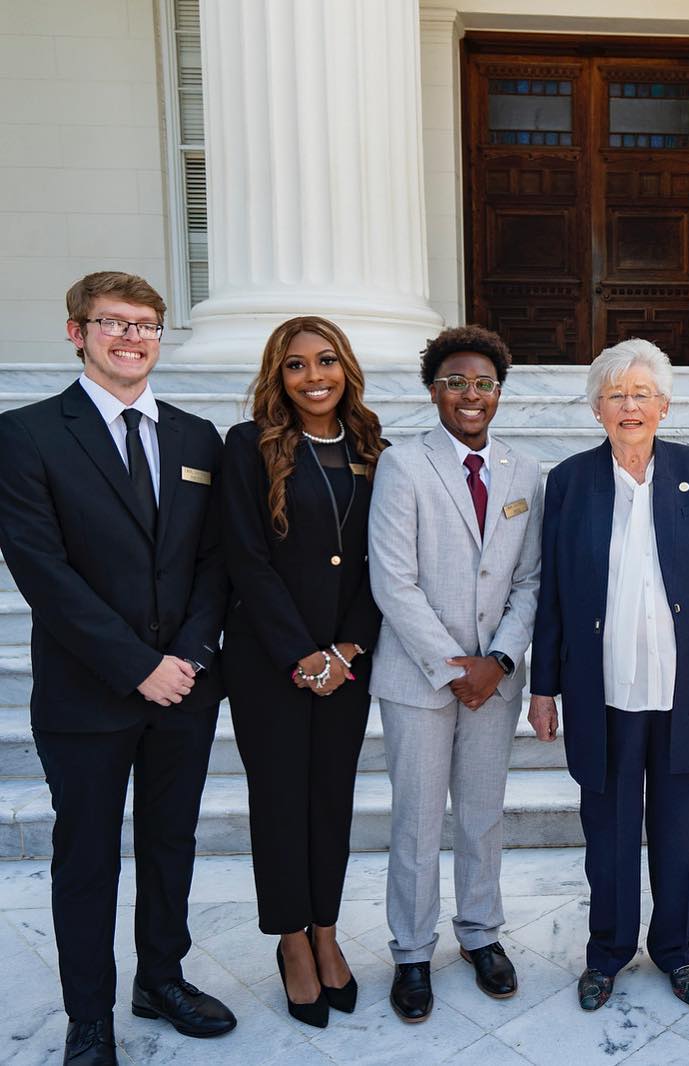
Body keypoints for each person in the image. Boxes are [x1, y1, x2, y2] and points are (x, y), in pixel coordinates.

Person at [0, 272, 236, 1066]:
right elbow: (43, 572)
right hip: (87, 692)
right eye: (113, 323)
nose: (132, 337)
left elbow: (213, 563)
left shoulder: (198, 438)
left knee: (171, 843)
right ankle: (89, 1016)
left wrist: (191, 658)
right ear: (77, 333)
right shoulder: (26, 436)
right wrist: (139, 666)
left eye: (146, 325)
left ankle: (161, 979)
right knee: (89, 855)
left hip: (186, 690)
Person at [528, 338, 689, 1012]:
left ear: (664, 405)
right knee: (610, 831)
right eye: (617, 395)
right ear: (597, 408)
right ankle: (608, 951)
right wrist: (544, 688)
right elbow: (552, 594)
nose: (629, 406)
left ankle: (676, 949)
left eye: (641, 394)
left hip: (682, 685)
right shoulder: (569, 480)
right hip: (605, 687)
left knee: (682, 828)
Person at [368, 324, 542, 1022]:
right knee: (415, 819)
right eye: (455, 383)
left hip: (493, 682)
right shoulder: (402, 466)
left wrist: (497, 661)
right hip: (419, 681)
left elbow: (530, 580)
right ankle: (411, 950)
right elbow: (394, 581)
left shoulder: (526, 471)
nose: (471, 395)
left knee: (480, 814)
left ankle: (480, 933)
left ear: (498, 392)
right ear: (433, 390)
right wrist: (453, 667)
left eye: (483, 384)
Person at [220, 316, 385, 1028]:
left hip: (346, 666)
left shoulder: (374, 450)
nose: (313, 376)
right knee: (281, 802)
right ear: (277, 376)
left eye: (326, 361)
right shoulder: (247, 448)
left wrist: (348, 648)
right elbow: (245, 558)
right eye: (295, 366)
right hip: (269, 662)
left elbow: (385, 560)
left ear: (345, 368)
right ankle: (291, 939)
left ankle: (327, 928)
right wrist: (301, 652)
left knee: (330, 800)